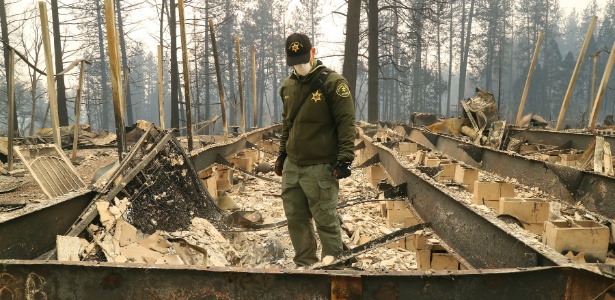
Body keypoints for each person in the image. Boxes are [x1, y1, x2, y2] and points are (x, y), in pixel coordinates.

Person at [274, 33, 355, 268]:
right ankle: (305, 263)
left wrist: (345, 159)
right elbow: (287, 124)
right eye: (294, 61)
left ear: (313, 52)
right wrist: (281, 154)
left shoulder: (333, 84)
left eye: (302, 59)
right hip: (293, 166)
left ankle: (333, 263)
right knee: (295, 218)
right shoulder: (287, 86)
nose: (299, 65)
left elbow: (346, 123)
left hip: (320, 167)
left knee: (325, 218)